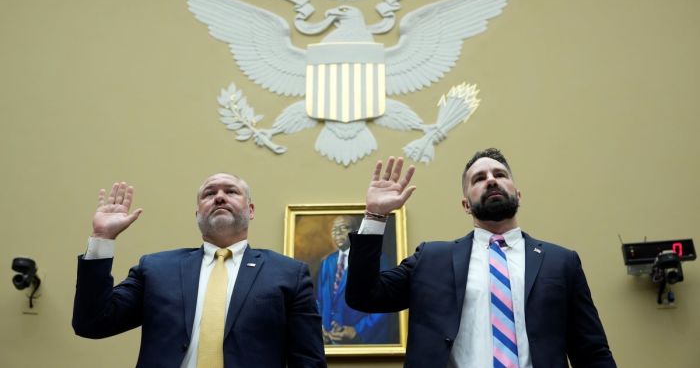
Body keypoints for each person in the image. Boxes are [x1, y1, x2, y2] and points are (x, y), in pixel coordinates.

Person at [345, 150, 616, 368]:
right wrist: (375, 216)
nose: (491, 180)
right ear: (466, 204)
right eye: (479, 178)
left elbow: (591, 351)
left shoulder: (561, 262)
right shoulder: (431, 259)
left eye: (499, 174)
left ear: (518, 195)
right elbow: (364, 295)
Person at [72, 173, 326, 368]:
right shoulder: (157, 269)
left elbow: (308, 360)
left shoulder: (288, 274)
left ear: (250, 210)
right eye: (208, 194)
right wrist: (102, 239)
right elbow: (92, 323)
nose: (219, 197)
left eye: (231, 191)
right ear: (197, 214)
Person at [315, 215, 396, 344]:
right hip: (328, 340)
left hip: (362, 341)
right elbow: (319, 299)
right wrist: (319, 326)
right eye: (334, 229)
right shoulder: (327, 262)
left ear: (356, 231)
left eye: (343, 227)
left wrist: (358, 331)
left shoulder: (377, 259)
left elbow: (386, 303)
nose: (337, 233)